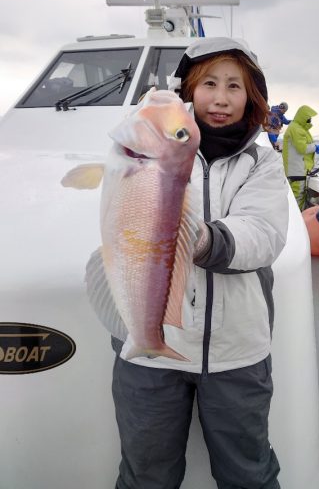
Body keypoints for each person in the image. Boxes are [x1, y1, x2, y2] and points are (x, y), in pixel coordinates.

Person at [111, 37, 289, 489]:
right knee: (145, 476)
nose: (222, 98)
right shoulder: (140, 148)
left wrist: (203, 239)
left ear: (251, 97)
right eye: (209, 83)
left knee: (249, 474)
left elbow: (264, 234)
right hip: (146, 353)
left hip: (236, 355)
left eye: (235, 86)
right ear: (187, 87)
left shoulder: (261, 162)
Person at [282, 105, 319, 210]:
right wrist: (317, 148)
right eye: (309, 117)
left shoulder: (299, 128)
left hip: (298, 171)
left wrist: (318, 148)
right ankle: (296, 224)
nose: (310, 120)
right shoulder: (296, 128)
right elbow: (302, 148)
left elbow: (305, 145)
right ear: (303, 117)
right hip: (296, 172)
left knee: (297, 199)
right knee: (297, 200)